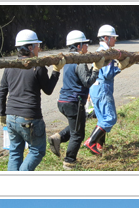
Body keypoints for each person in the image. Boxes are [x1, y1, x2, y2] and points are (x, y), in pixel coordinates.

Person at [0, 29, 64, 171]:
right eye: (37, 45)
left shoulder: (10, 66)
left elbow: (2, 91)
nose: (39, 49)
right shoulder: (37, 66)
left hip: (11, 118)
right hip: (30, 119)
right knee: (37, 151)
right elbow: (48, 90)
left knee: (15, 153)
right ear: (29, 48)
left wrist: (2, 113)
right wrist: (56, 71)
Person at [50, 31, 100, 169]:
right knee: (78, 134)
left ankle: (58, 138)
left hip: (64, 101)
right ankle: (69, 161)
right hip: (73, 102)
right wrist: (96, 69)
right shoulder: (79, 61)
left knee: (77, 124)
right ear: (79, 45)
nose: (87, 47)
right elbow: (87, 82)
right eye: (86, 44)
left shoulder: (68, 60)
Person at [84, 25, 131, 155]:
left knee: (101, 117)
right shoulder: (106, 54)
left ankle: (99, 145)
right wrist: (120, 67)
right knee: (110, 117)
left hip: (96, 88)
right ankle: (91, 142)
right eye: (113, 38)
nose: (115, 40)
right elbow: (107, 74)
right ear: (106, 38)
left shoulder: (100, 51)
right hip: (102, 88)